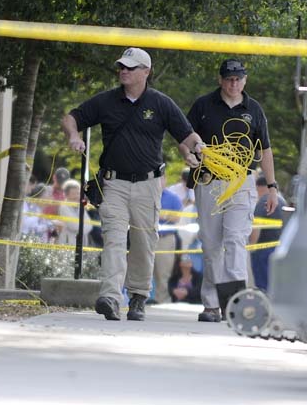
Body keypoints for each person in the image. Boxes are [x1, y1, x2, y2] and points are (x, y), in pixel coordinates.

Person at [61, 47, 204, 321]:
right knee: (113, 238)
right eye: (121, 66)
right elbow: (71, 117)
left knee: (143, 241)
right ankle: (111, 298)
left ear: (146, 72)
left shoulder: (161, 103)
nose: (123, 70)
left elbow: (186, 135)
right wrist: (72, 136)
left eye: (130, 67)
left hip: (148, 184)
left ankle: (138, 296)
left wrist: (199, 147)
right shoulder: (106, 101)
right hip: (113, 183)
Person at [182, 58, 279, 323]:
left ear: (245, 80)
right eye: (228, 78)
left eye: (238, 79)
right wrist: (188, 155)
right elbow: (185, 138)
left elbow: (265, 150)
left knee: (236, 240)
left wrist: (271, 187)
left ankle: (235, 304)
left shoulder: (254, 109)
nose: (233, 83)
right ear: (220, 79)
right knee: (212, 245)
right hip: (209, 180)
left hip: (242, 181)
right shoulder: (203, 105)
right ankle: (212, 305)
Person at [249, 175, 286, 291]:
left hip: (262, 251)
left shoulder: (263, 202)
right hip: (278, 248)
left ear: (259, 187)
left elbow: (256, 227)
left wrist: (252, 248)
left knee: (262, 287)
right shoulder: (282, 201)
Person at [153, 176, 183, 304]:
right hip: (147, 236)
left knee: (163, 273)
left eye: (162, 179)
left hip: (165, 239)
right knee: (142, 270)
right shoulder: (146, 195)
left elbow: (176, 218)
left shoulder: (173, 198)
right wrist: (164, 215)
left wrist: (159, 215)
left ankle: (162, 300)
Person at [54, 179, 92, 246]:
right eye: (73, 194)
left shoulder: (80, 207)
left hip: (81, 244)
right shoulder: (64, 207)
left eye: (78, 193)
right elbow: (74, 226)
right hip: (67, 245)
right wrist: (84, 227)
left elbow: (90, 225)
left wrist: (83, 228)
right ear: (66, 195)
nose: (77, 196)